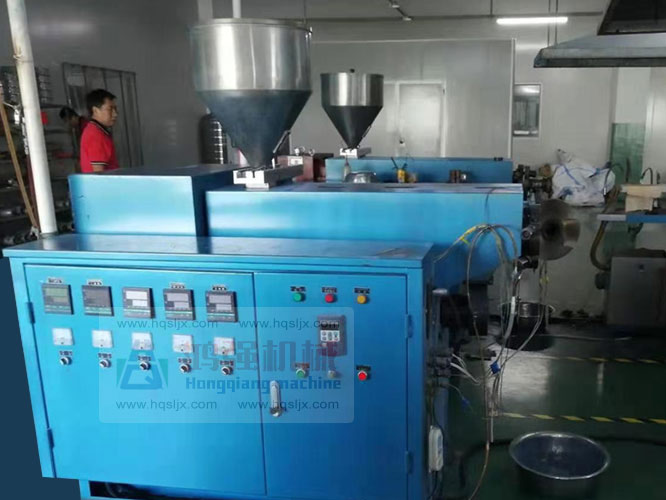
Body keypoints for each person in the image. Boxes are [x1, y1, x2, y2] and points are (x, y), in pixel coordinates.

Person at [79, 89, 119, 173]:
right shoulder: (95, 135)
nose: (115, 114)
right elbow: (98, 174)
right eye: (110, 109)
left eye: (115, 109)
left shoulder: (97, 130)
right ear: (95, 110)